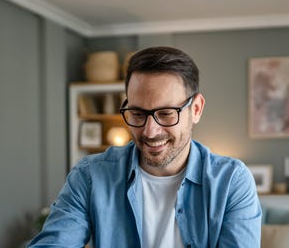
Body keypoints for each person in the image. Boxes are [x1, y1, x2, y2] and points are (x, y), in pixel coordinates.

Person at [28, 46, 262, 247]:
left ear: (197, 109)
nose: (150, 131)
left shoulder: (232, 181)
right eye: (138, 113)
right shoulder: (90, 176)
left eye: (166, 113)